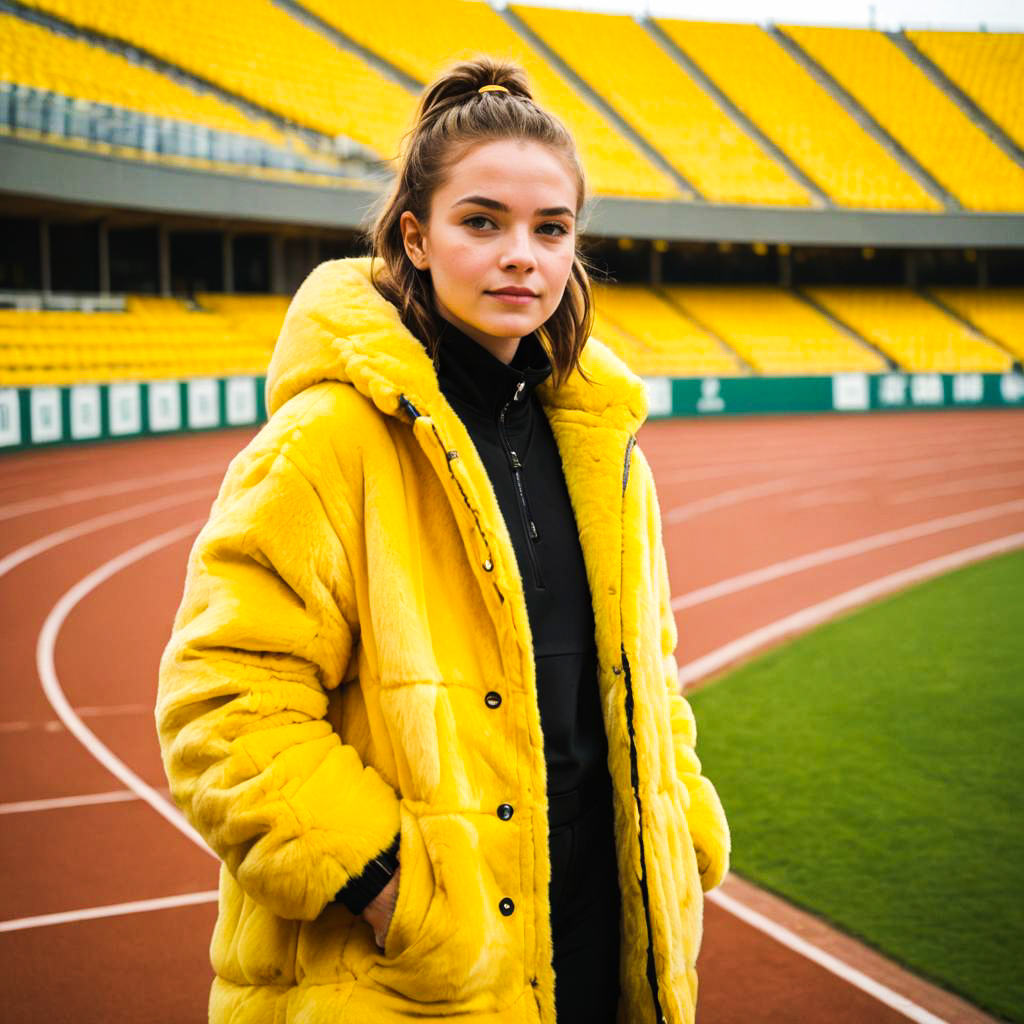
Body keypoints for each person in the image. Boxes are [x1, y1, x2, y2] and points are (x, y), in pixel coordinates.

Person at [156, 57, 729, 1024]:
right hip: (417, 979)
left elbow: (647, 679)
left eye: (553, 230)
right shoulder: (330, 442)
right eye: (483, 222)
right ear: (415, 239)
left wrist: (684, 828)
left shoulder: (605, 455)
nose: (524, 256)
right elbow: (223, 705)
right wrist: (390, 887)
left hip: (598, 947)